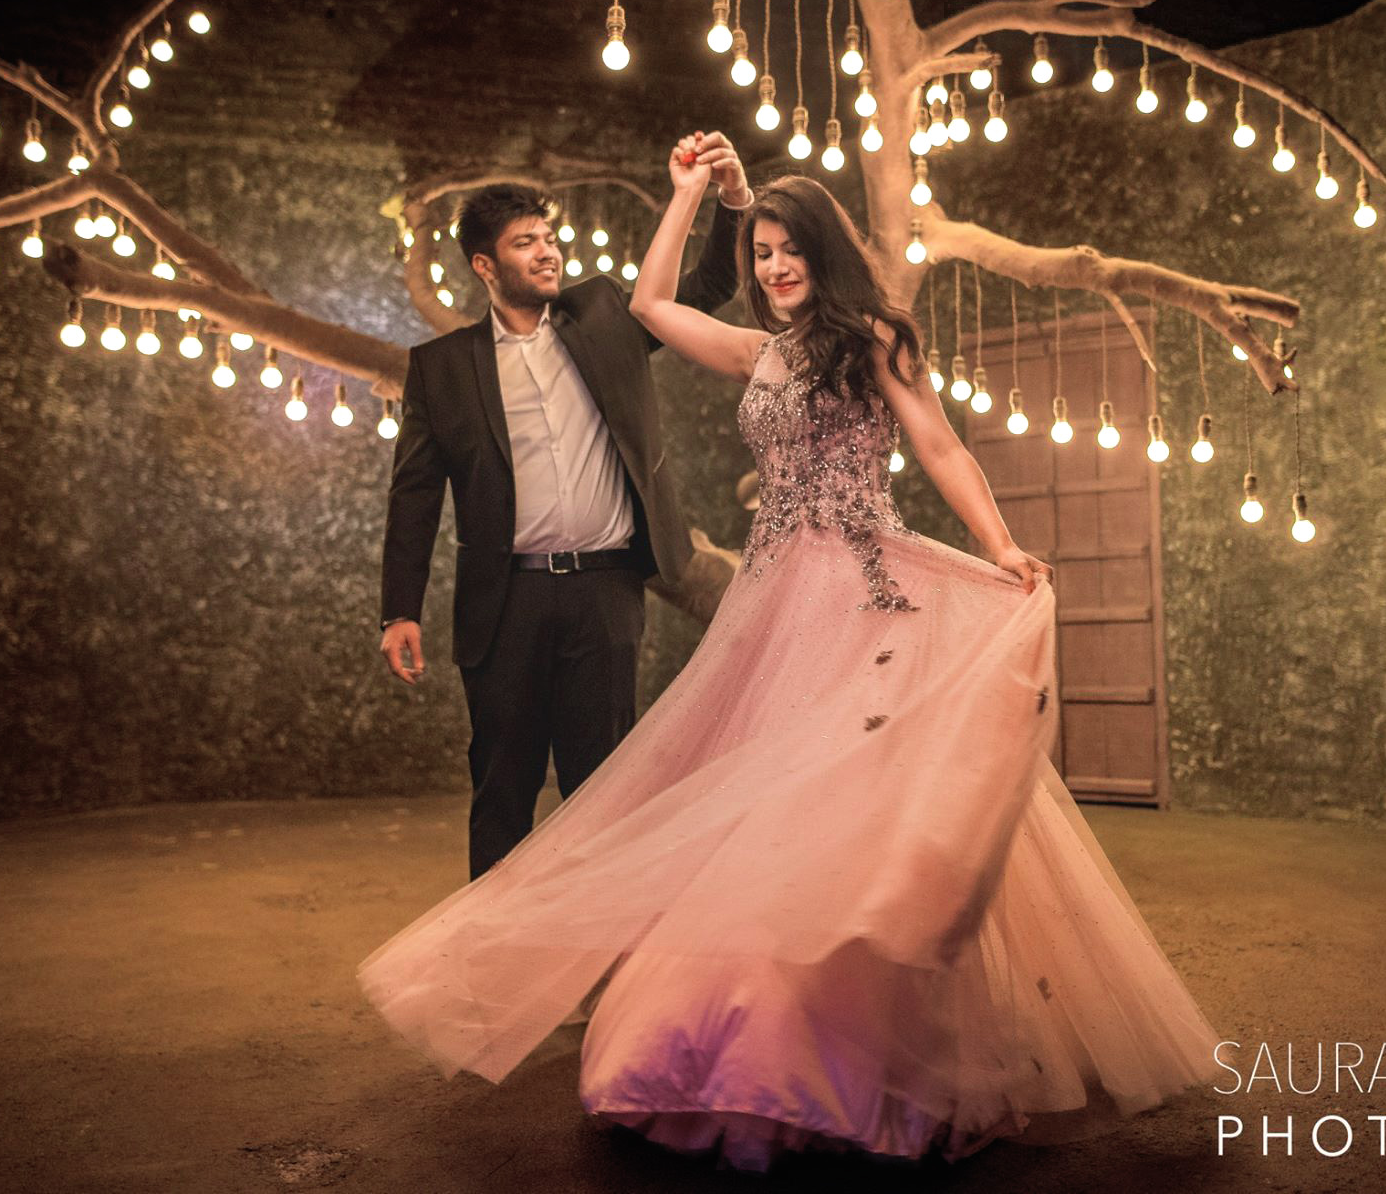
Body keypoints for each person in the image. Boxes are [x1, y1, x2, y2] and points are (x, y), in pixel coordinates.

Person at [359, 135, 1220, 1170]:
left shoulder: (875, 338)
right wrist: (686, 197)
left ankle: (858, 1043)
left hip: (861, 589)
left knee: (847, 812)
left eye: (784, 251)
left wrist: (998, 545)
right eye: (759, 251)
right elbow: (648, 307)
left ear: (820, 252)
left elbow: (939, 444)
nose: (769, 268)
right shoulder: (760, 352)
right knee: (752, 817)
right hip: (770, 603)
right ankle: (735, 1047)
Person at [377, 140, 753, 879]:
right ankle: (495, 966)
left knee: (604, 789)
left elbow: (708, 284)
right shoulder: (442, 370)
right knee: (502, 791)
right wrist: (399, 610)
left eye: (549, 239)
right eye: (526, 244)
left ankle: (599, 969)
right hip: (505, 601)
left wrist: (732, 198)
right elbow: (414, 495)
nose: (547, 254)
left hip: (605, 595)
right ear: (485, 266)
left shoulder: (608, 312)